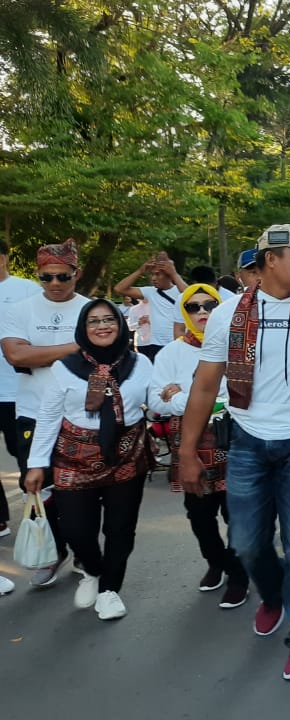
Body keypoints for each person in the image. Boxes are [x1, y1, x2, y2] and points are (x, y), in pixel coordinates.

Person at [178, 224, 290, 682]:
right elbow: (204, 385)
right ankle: (275, 595)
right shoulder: (226, 316)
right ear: (271, 262)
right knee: (246, 542)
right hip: (247, 440)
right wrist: (186, 451)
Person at [24, 299, 153, 620]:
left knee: (120, 529)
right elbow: (50, 415)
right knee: (76, 530)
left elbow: (156, 402)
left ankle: (109, 590)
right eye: (93, 321)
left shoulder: (141, 365)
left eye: (109, 319)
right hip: (73, 459)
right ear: (83, 329)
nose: (102, 326)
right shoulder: (64, 367)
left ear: (121, 325)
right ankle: (93, 571)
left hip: (127, 456)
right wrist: (36, 464)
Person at [149, 284, 250, 609]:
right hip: (191, 449)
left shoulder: (238, 346)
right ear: (184, 313)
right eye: (193, 307)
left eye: (209, 305)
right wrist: (204, 399)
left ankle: (239, 576)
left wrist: (184, 396)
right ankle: (216, 562)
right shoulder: (171, 353)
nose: (203, 312)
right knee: (199, 516)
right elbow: (155, 401)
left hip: (235, 443)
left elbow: (241, 396)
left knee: (239, 516)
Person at [1, 239, 91, 586]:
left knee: (82, 489)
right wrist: (79, 347)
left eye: (63, 276)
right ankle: (54, 553)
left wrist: (40, 351)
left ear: (76, 274)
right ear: (38, 274)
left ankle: (84, 551)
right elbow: (17, 357)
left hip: (81, 415)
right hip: (33, 413)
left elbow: (105, 352)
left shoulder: (91, 309)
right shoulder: (19, 310)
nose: (54, 283)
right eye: (47, 277)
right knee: (38, 486)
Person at [0, 239, 40, 537]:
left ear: (3, 259)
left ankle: (39, 511)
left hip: (18, 390)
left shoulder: (26, 289)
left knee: (24, 453)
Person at [113, 252, 188, 361]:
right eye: (152, 274)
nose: (153, 278)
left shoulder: (179, 291)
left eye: (158, 274)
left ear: (168, 275)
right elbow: (119, 288)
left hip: (177, 342)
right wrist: (140, 271)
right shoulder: (150, 292)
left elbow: (190, 296)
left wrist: (174, 274)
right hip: (155, 344)